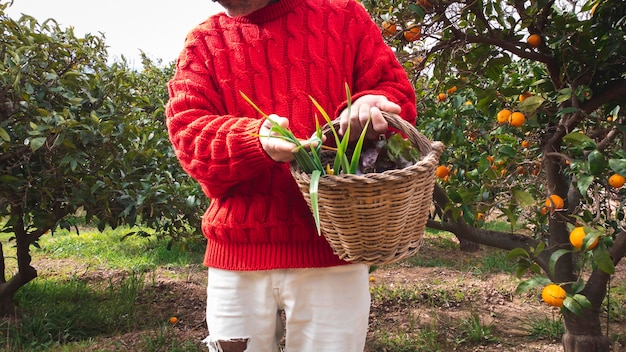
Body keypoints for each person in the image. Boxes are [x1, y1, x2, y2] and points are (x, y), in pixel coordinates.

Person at [165, 0, 417, 350]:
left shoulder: (343, 16)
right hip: (238, 258)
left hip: (333, 253)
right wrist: (255, 140)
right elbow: (188, 134)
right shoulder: (204, 44)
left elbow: (396, 95)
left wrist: (369, 105)